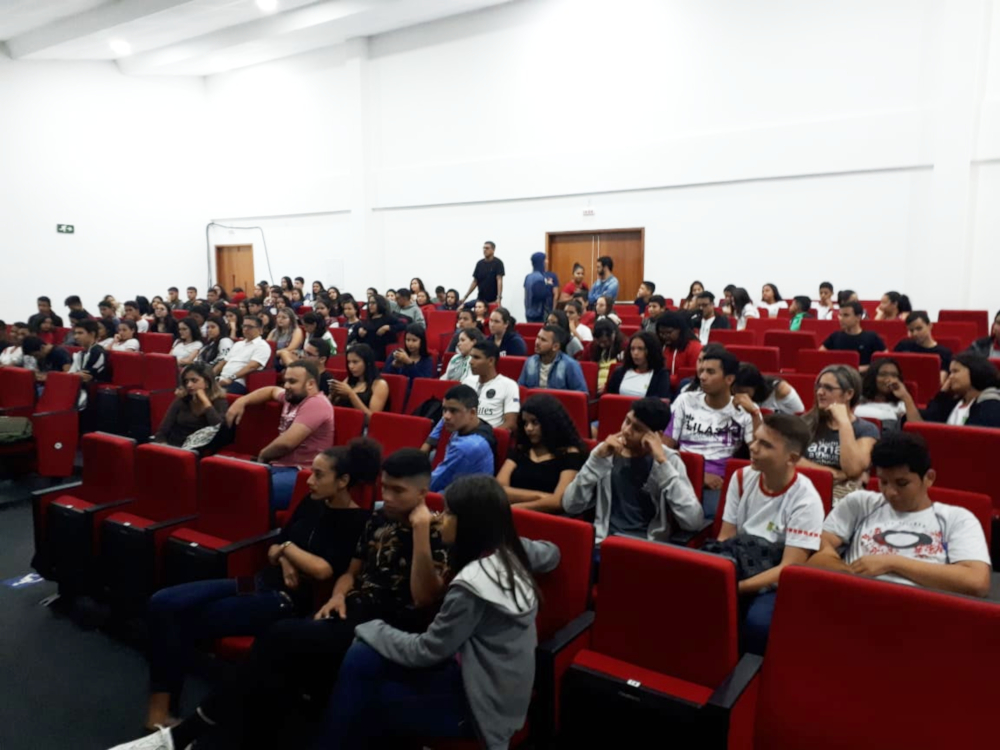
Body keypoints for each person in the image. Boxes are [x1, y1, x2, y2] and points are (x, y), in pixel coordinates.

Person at [139, 438, 380, 731]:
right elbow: (274, 547)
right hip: (257, 582)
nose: (309, 481)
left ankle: (161, 715)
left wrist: (286, 550)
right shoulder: (312, 502)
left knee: (183, 618)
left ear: (343, 481)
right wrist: (286, 556)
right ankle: (163, 711)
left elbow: (322, 570)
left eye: (319, 475)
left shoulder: (358, 521)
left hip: (284, 599)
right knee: (164, 601)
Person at [318, 472, 559, 750]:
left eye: (448, 513)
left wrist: (371, 628)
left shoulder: (472, 587)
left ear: (469, 524)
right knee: (363, 658)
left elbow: (427, 651)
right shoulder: (509, 551)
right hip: (477, 672)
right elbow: (552, 553)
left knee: (369, 693)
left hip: (481, 705)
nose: (440, 519)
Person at [807, 431, 990, 597]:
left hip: (920, 606)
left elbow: (977, 581)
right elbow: (818, 547)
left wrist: (892, 563)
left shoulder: (956, 519)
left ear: (929, 478)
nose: (890, 492)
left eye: (902, 483)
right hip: (856, 596)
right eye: (883, 482)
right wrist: (846, 572)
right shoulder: (860, 503)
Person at [716, 413, 824, 654]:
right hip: (739, 560)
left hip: (773, 577)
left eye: (765, 445)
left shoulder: (806, 500)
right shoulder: (741, 477)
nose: (753, 447)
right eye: (755, 439)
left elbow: (788, 568)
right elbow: (725, 537)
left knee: (757, 623)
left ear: (791, 458)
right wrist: (720, 579)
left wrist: (736, 587)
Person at [563, 397, 704, 547]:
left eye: (637, 428)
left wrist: (662, 463)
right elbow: (570, 505)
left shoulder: (669, 461)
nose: (626, 430)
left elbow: (693, 522)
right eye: (627, 421)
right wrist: (595, 462)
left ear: (656, 436)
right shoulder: (605, 453)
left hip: (648, 547)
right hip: (605, 542)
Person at [226, 360, 335, 510]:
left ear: (310, 384)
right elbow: (271, 390)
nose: (286, 386)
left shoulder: (317, 403)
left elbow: (286, 444)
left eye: (292, 381)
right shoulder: (292, 397)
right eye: (285, 381)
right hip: (278, 467)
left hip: (301, 472)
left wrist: (262, 457)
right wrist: (242, 400)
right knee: (227, 481)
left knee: (247, 492)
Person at [665, 350, 759, 513]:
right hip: (681, 471)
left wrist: (755, 414)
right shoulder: (685, 400)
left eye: (710, 372)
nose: (702, 376)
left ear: (729, 379)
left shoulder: (746, 410)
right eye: (702, 370)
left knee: (711, 514)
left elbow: (759, 454)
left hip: (718, 480)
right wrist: (699, 475)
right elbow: (665, 446)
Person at [798, 365, 879, 501]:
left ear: (849, 394)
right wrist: (835, 474)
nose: (820, 392)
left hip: (844, 497)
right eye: (819, 387)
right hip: (805, 489)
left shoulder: (866, 429)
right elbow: (790, 459)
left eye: (828, 388)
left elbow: (852, 469)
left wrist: (843, 422)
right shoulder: (805, 423)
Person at [496, 394, 586, 512]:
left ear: (550, 423)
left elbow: (558, 502)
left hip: (547, 519)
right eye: (525, 423)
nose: (528, 428)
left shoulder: (569, 453)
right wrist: (539, 496)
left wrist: (515, 508)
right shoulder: (521, 449)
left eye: (535, 422)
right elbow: (499, 488)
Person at [425, 385, 496, 492]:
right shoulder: (475, 426)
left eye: (453, 411)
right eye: (444, 410)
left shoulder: (467, 446)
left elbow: (433, 484)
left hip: (464, 498)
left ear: (472, 413)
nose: (446, 416)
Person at [906, 353, 1000, 428]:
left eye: (955, 371)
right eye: (950, 372)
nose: (950, 377)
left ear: (975, 371)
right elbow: (926, 425)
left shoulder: (991, 406)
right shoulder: (952, 403)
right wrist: (942, 394)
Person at [153, 363, 229, 447]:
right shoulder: (183, 399)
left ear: (207, 382)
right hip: (174, 445)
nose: (189, 385)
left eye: (194, 380)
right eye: (186, 381)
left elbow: (220, 430)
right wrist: (163, 445)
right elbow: (163, 430)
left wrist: (206, 402)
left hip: (200, 449)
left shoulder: (219, 402)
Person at [461, 340, 520, 431]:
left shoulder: (509, 385)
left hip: (489, 435)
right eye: (471, 357)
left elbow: (510, 423)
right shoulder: (467, 382)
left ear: (491, 361)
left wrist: (487, 435)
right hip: (464, 433)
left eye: (476, 357)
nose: (471, 362)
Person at [819, 301, 886, 372]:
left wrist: (863, 369)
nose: (841, 318)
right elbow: (820, 356)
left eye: (846, 315)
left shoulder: (871, 337)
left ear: (858, 317)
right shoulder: (835, 336)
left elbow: (885, 360)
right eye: (840, 315)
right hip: (838, 375)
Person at [517, 326, 588, 393]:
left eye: (543, 340)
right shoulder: (530, 362)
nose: (537, 342)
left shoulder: (570, 365)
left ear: (555, 347)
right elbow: (520, 390)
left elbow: (581, 394)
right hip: (533, 401)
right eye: (538, 338)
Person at [605, 331, 671, 398]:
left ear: (651, 350)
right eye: (632, 349)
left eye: (640, 349)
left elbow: (660, 400)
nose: (635, 353)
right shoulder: (619, 372)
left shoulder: (661, 375)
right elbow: (609, 397)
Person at [215, 316, 271, 395]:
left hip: (237, 382)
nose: (245, 329)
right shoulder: (238, 344)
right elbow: (223, 362)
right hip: (221, 379)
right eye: (244, 326)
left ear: (260, 330)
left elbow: (252, 366)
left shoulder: (262, 346)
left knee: (212, 395)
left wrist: (231, 378)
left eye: (250, 327)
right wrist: (209, 376)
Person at [331, 344, 390, 418]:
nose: (351, 366)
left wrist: (351, 395)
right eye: (349, 362)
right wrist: (332, 395)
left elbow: (372, 418)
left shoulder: (380, 384)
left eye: (355, 362)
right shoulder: (349, 380)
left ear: (367, 362)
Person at [894, 311, 952, 382]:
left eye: (919, 329)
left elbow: (940, 382)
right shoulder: (903, 346)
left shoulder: (944, 353)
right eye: (911, 330)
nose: (915, 333)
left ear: (930, 326)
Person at [855, 358, 909, 433]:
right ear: (872, 377)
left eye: (894, 375)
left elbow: (916, 430)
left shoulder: (901, 406)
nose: (889, 379)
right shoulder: (855, 401)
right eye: (883, 374)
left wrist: (905, 396)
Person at [656, 311, 703, 390]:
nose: (664, 336)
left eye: (669, 332)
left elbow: (694, 376)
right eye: (661, 333)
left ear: (680, 330)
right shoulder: (659, 345)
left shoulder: (694, 347)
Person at [733, 363, 805, 415]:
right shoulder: (731, 389)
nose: (737, 395)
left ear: (755, 386)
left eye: (742, 391)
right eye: (734, 390)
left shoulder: (781, 391)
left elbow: (801, 418)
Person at [356, 295, 407, 360]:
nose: (370, 305)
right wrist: (360, 333)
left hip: (381, 350)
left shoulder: (387, 317)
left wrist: (388, 327)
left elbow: (403, 325)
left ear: (380, 303)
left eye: (373, 303)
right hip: (368, 348)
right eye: (369, 303)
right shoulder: (369, 319)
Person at [383, 323, 435, 387]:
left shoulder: (426, 360)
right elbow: (384, 376)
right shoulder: (397, 354)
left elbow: (423, 383)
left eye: (414, 340)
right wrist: (393, 366)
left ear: (422, 341)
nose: (410, 344)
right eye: (408, 340)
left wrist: (409, 363)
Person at [460, 240, 505, 307]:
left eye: (487, 248)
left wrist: (499, 298)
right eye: (484, 248)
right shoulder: (479, 264)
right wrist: (465, 297)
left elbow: (499, 280)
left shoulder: (498, 263)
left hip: (493, 300)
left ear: (493, 250)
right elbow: (475, 281)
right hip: (480, 299)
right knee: (463, 307)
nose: (484, 250)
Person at [589, 320, 627, 392]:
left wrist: (606, 386)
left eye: (605, 341)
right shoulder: (591, 347)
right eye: (599, 342)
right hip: (593, 385)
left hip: (613, 385)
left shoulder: (624, 347)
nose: (602, 345)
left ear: (613, 335)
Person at [524, 251, 558, 323]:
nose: (547, 262)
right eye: (545, 259)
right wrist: (548, 286)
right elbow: (540, 295)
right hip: (539, 314)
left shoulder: (528, 277)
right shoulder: (539, 277)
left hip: (529, 311)